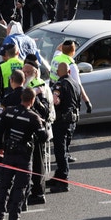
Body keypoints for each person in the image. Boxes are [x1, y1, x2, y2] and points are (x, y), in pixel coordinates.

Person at [0, 88, 49, 220]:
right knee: (20, 187)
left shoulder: (8, 112)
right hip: (24, 156)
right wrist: (43, 125)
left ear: (21, 98)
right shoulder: (33, 117)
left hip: (9, 154)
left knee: (4, 185)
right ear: (33, 100)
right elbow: (44, 137)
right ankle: (13, 218)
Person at [49, 40, 91, 162]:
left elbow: (58, 47)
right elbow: (78, 85)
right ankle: (64, 154)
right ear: (73, 51)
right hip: (67, 98)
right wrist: (87, 100)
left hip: (55, 95)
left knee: (58, 128)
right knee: (68, 128)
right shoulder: (71, 65)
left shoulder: (56, 57)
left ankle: (61, 154)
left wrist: (65, 41)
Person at [22, 56, 52, 205]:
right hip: (25, 129)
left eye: (28, 72)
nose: (25, 74)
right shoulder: (23, 84)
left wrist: (37, 97)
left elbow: (45, 111)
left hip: (36, 129)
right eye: (24, 71)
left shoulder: (40, 86)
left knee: (37, 163)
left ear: (35, 73)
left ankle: (39, 192)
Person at [49, 60, 80, 193]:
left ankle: (63, 181)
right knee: (65, 149)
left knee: (60, 151)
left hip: (61, 121)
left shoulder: (60, 85)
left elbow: (55, 101)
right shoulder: (75, 83)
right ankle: (59, 176)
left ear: (58, 72)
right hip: (72, 122)